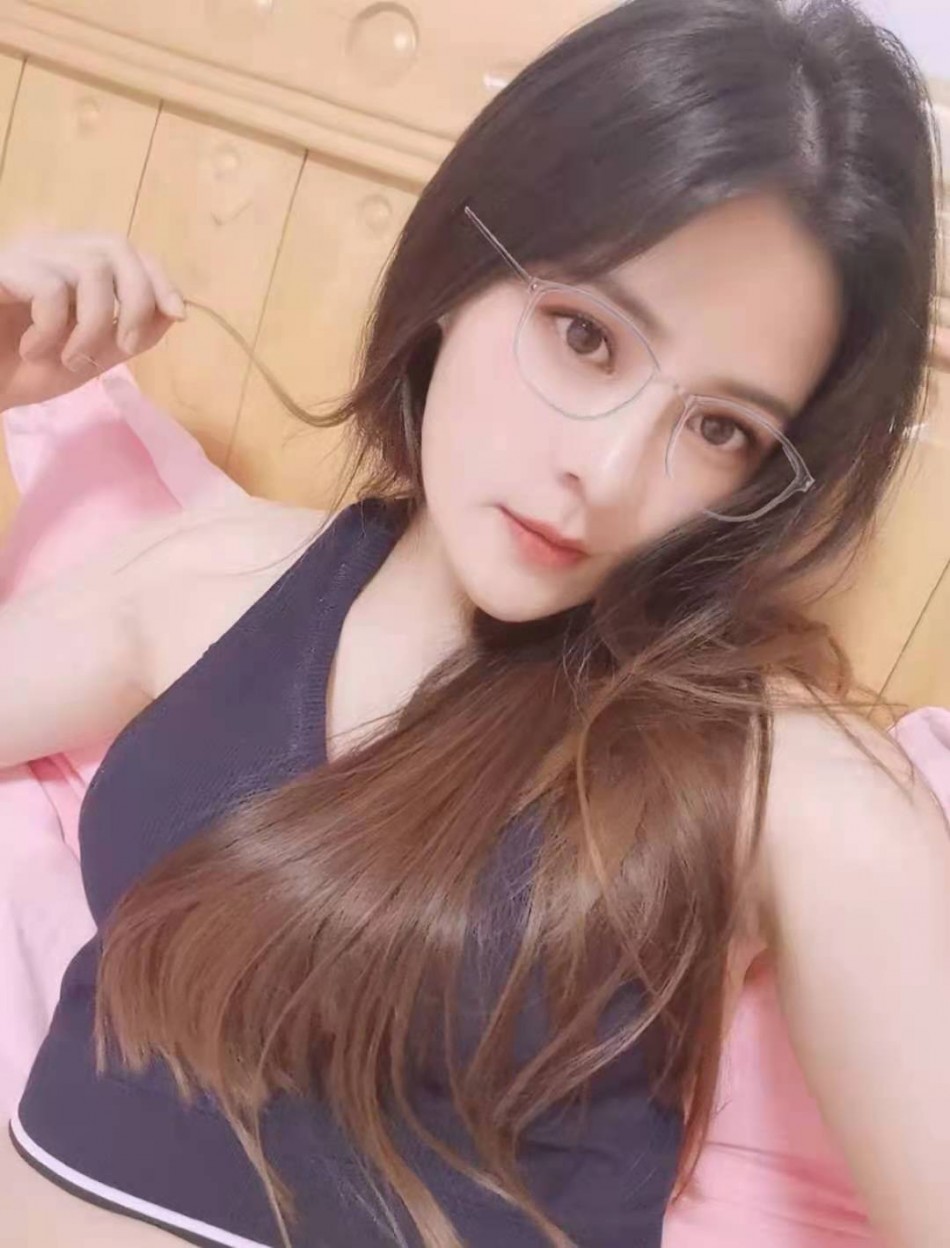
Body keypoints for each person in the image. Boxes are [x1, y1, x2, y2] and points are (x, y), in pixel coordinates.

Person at [0, 0, 948, 1245]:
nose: (606, 474)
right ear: (461, 269)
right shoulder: (210, 576)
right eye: (583, 336)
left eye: (719, 428)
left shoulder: (787, 786)